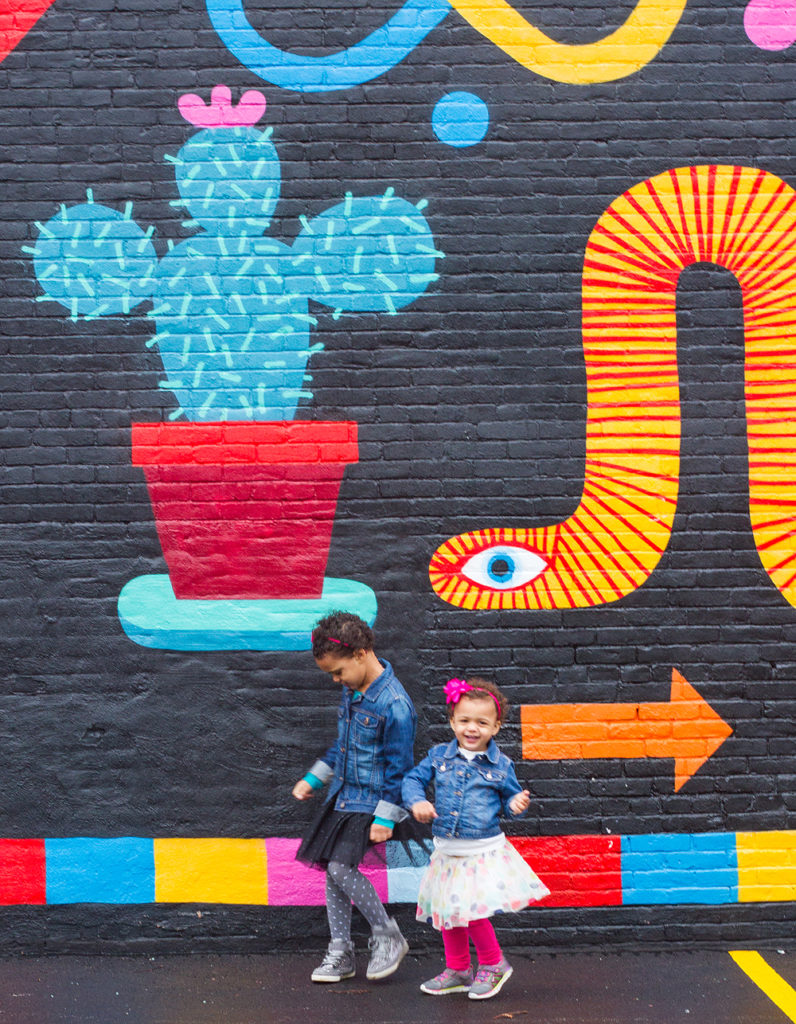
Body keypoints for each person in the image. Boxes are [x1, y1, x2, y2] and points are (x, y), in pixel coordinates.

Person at [402, 676, 550, 1000]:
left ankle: (494, 963)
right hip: (447, 851)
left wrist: (516, 803)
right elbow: (412, 780)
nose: (472, 728)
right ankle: (458, 969)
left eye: (482, 722)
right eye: (465, 720)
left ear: (496, 727)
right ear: (452, 721)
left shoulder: (501, 765)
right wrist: (417, 801)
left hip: (481, 852)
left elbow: (511, 803)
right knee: (448, 910)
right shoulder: (439, 756)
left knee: (470, 910)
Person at [292, 611, 416, 984]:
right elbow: (342, 748)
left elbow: (401, 768)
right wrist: (316, 776)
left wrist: (385, 817)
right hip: (344, 796)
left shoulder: (395, 704)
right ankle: (341, 952)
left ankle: (387, 934)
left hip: (373, 802)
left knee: (340, 868)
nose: (335, 680)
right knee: (334, 873)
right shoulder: (352, 692)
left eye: (338, 671)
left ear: (361, 654)